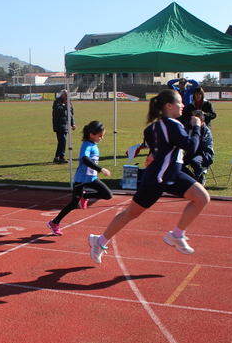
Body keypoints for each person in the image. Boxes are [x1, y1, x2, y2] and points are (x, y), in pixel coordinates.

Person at [88, 89, 210, 263]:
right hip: (157, 178)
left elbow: (155, 139)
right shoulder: (172, 125)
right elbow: (191, 146)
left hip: (172, 174)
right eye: (179, 102)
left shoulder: (157, 125)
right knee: (131, 213)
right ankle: (99, 241)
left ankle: (176, 235)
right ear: (169, 105)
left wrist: (155, 153)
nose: (183, 105)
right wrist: (197, 125)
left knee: (202, 197)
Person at [47, 121, 113, 236]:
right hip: (82, 179)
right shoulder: (86, 145)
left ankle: (86, 195)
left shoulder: (94, 145)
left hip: (92, 178)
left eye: (103, 136)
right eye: (100, 136)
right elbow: (85, 160)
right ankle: (54, 222)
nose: (102, 138)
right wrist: (101, 169)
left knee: (108, 195)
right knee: (73, 203)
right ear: (92, 135)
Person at [181, 110, 214, 185]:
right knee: (178, 162)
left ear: (202, 121)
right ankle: (191, 178)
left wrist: (191, 143)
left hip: (203, 154)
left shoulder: (206, 131)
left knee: (195, 162)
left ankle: (200, 177)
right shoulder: (189, 129)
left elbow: (202, 144)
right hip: (191, 153)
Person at [52, 89, 76, 163]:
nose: (67, 96)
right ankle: (61, 156)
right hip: (59, 124)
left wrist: (73, 123)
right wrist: (65, 106)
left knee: (62, 141)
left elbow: (71, 114)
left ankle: (57, 157)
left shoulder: (69, 102)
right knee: (63, 140)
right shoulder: (57, 102)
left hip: (66, 124)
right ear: (62, 95)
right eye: (66, 95)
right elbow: (57, 110)